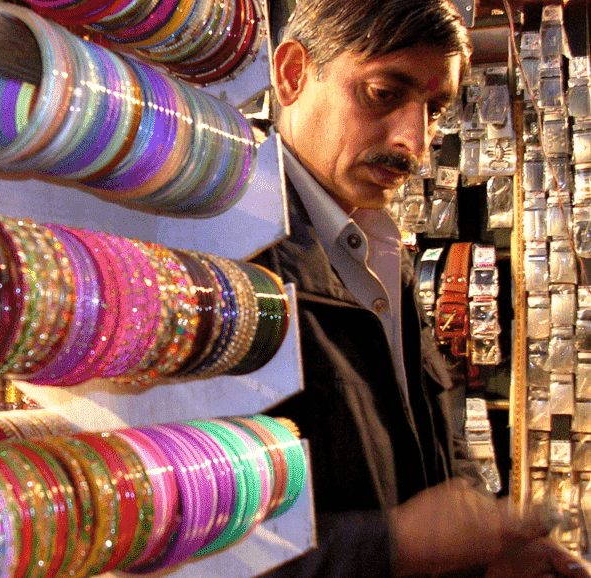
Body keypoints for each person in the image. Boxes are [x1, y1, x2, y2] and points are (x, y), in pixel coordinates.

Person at [251, 0, 591, 576]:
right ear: (290, 75)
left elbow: (435, 438)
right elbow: (181, 536)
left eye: (434, 108)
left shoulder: (379, 255)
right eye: (384, 94)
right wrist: (395, 546)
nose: (415, 138)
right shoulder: (229, 264)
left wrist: (483, 554)